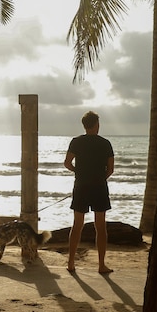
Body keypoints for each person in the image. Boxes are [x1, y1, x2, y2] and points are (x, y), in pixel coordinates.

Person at [64, 111, 114, 274]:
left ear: (85, 125)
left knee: (77, 224)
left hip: (81, 186)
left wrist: (79, 172)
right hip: (99, 186)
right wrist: (100, 177)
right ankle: (101, 265)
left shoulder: (76, 142)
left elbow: (67, 163)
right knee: (100, 226)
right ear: (97, 125)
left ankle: (71, 263)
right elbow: (111, 169)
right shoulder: (105, 143)